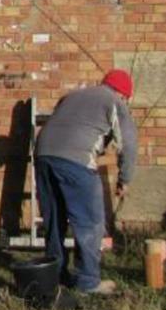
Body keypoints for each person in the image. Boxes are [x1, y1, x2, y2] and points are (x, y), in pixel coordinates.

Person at [34, 69, 137, 295]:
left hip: (43, 155)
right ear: (123, 94)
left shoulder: (73, 96)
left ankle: (55, 275)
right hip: (76, 161)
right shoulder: (114, 102)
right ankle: (88, 281)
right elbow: (128, 144)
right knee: (89, 221)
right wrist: (125, 179)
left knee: (54, 220)